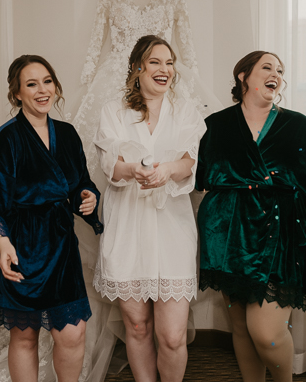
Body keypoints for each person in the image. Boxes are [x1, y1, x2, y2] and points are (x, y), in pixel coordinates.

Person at [0, 55, 103, 382]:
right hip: (19, 244)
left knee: (73, 333)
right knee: (25, 335)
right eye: (32, 84)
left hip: (60, 244)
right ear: (17, 94)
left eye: (47, 81)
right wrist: (2, 243)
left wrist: (87, 195)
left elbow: (80, 180)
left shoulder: (66, 134)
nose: (42, 90)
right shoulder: (6, 139)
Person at [195, 51, 306, 382]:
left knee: (267, 333)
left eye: (280, 71)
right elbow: (198, 175)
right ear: (243, 76)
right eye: (267, 67)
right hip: (228, 234)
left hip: (280, 233)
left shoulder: (297, 124)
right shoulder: (215, 125)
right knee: (242, 328)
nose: (276, 74)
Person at [93, 35, 206, 382]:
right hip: (127, 226)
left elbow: (190, 161)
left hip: (172, 226)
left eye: (169, 62)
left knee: (172, 336)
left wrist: (167, 171)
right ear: (137, 68)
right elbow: (109, 165)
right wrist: (135, 171)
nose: (165, 69)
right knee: (138, 327)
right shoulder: (113, 112)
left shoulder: (186, 111)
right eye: (155, 62)